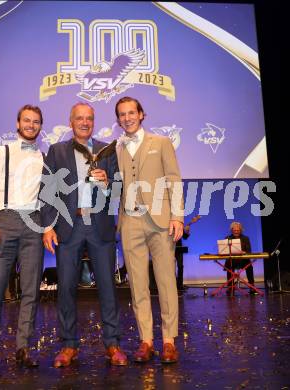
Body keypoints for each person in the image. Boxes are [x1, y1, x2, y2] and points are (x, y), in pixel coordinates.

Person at [41, 102, 127, 367]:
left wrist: (107, 182)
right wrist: (47, 226)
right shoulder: (57, 151)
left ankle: (112, 344)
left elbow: (119, 189)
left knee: (107, 287)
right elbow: (47, 191)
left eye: (89, 118)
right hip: (69, 225)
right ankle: (69, 345)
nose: (85, 122)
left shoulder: (107, 150)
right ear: (71, 122)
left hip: (100, 224)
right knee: (66, 287)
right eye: (79, 118)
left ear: (94, 121)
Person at [0, 104, 44, 377]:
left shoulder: (43, 157)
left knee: (30, 292)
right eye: (27, 120)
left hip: (33, 225)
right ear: (17, 124)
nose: (31, 125)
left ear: (40, 126)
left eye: (36, 122)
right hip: (3, 223)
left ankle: (23, 348)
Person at [115, 96, 183, 364]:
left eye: (132, 112)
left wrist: (177, 215)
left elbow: (173, 179)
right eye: (122, 114)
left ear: (142, 114)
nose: (127, 117)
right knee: (138, 285)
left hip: (161, 220)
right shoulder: (117, 148)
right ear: (118, 119)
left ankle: (168, 341)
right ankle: (146, 341)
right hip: (130, 222)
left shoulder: (161, 143)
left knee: (166, 281)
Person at [224, 221, 256, 295]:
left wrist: (244, 252)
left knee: (249, 266)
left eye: (238, 230)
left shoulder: (245, 238)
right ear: (232, 230)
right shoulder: (227, 238)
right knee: (229, 264)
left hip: (243, 260)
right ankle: (230, 287)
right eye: (234, 230)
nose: (236, 232)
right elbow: (225, 251)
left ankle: (252, 287)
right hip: (233, 261)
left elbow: (249, 251)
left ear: (240, 230)